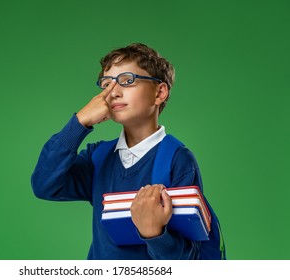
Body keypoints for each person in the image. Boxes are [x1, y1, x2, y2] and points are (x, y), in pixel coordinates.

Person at [31, 43, 224, 259]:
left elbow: (189, 257)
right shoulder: (98, 156)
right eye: (106, 84)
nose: (113, 92)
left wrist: (154, 234)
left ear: (159, 92)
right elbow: (44, 185)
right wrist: (79, 123)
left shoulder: (176, 159)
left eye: (127, 80)